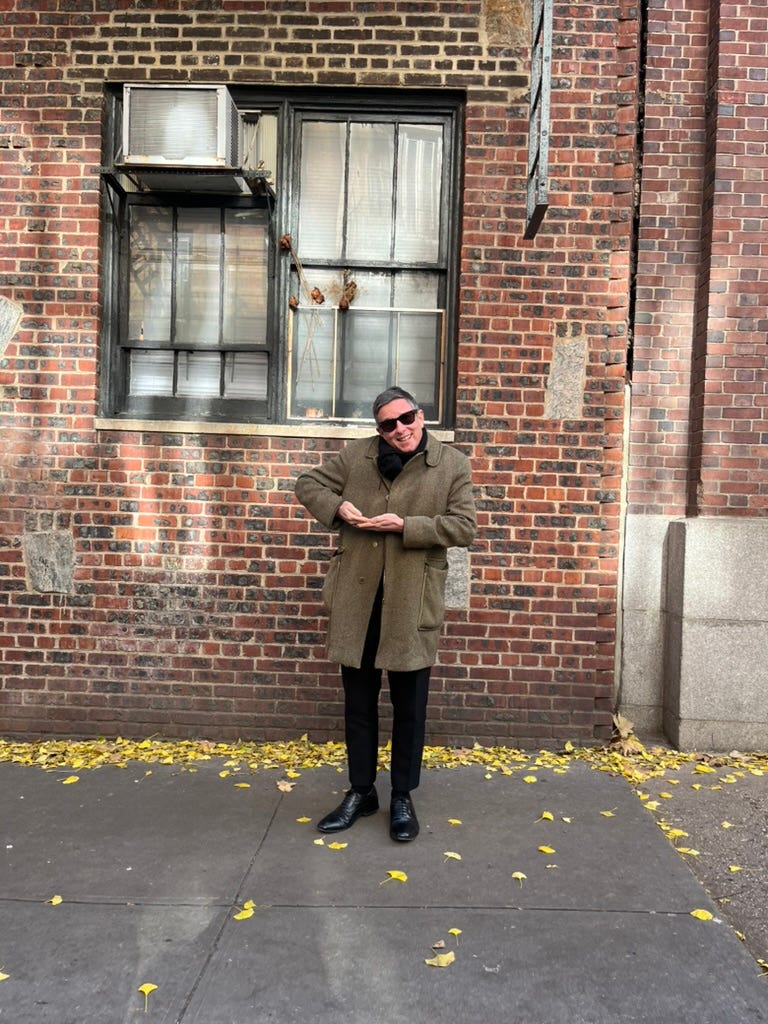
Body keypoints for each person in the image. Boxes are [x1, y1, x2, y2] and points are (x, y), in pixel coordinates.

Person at [294, 387, 476, 841]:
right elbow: (308, 484)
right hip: (357, 600)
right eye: (388, 424)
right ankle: (361, 792)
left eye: (406, 418)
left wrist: (406, 526)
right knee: (359, 705)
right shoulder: (356, 456)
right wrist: (337, 507)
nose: (400, 430)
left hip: (412, 600)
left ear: (420, 415)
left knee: (409, 708)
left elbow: (464, 527)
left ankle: (401, 796)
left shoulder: (452, 464)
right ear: (379, 429)